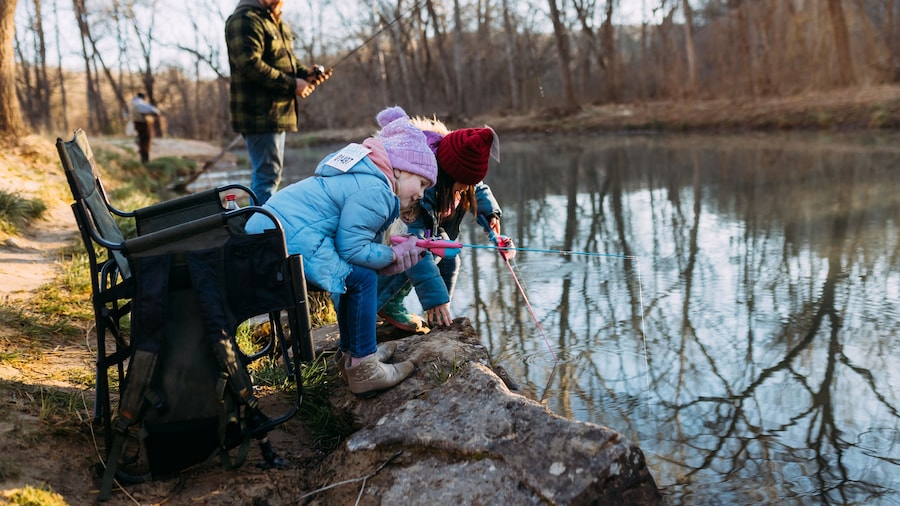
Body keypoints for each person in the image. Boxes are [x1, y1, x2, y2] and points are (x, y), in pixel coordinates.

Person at [244, 106, 436, 395]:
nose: (421, 194)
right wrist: (393, 256)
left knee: (355, 278)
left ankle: (353, 354)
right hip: (283, 243)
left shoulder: (364, 176)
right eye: (420, 182)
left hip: (270, 237)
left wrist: (386, 254)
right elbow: (353, 249)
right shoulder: (378, 191)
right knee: (362, 279)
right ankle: (364, 368)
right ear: (398, 168)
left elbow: (350, 242)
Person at [375, 108, 503, 332]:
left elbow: (477, 187)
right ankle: (386, 302)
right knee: (427, 252)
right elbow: (410, 244)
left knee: (450, 256)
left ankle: (440, 315)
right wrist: (434, 297)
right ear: (447, 175)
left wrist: (489, 213)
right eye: (463, 184)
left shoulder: (452, 164)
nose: (466, 190)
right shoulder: (417, 187)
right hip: (388, 241)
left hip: (417, 235)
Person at [225, 0, 331, 204]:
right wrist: (293, 85)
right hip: (258, 114)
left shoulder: (274, 21)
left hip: (277, 113)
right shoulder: (244, 19)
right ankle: (263, 230)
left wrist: (306, 75)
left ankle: (264, 226)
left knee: (270, 174)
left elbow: (287, 61)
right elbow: (250, 64)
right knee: (267, 176)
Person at [130, 93, 161, 164]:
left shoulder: (132, 103)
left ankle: (143, 158)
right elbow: (154, 110)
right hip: (143, 124)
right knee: (145, 141)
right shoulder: (140, 104)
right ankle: (145, 160)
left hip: (136, 124)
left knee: (141, 140)